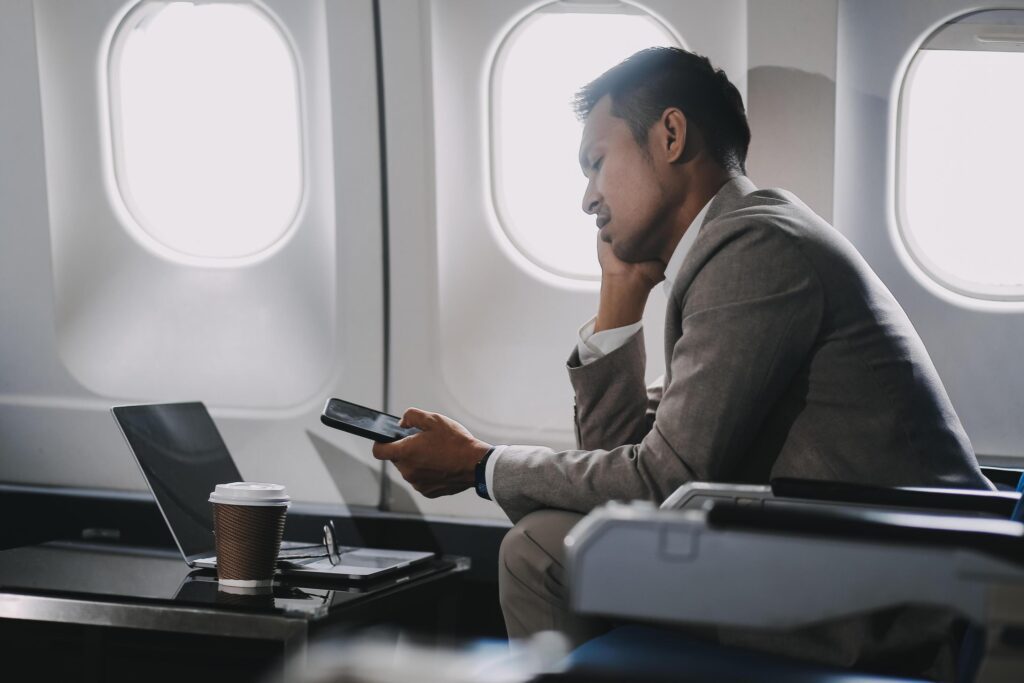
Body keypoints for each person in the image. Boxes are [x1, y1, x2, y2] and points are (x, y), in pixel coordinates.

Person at [372, 47, 991, 676]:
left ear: (669, 135)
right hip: (842, 562)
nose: (588, 199)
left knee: (542, 552)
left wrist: (482, 465)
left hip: (886, 598)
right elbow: (627, 476)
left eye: (596, 163)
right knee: (546, 546)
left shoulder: (756, 249)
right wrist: (621, 294)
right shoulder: (739, 246)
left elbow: (659, 482)